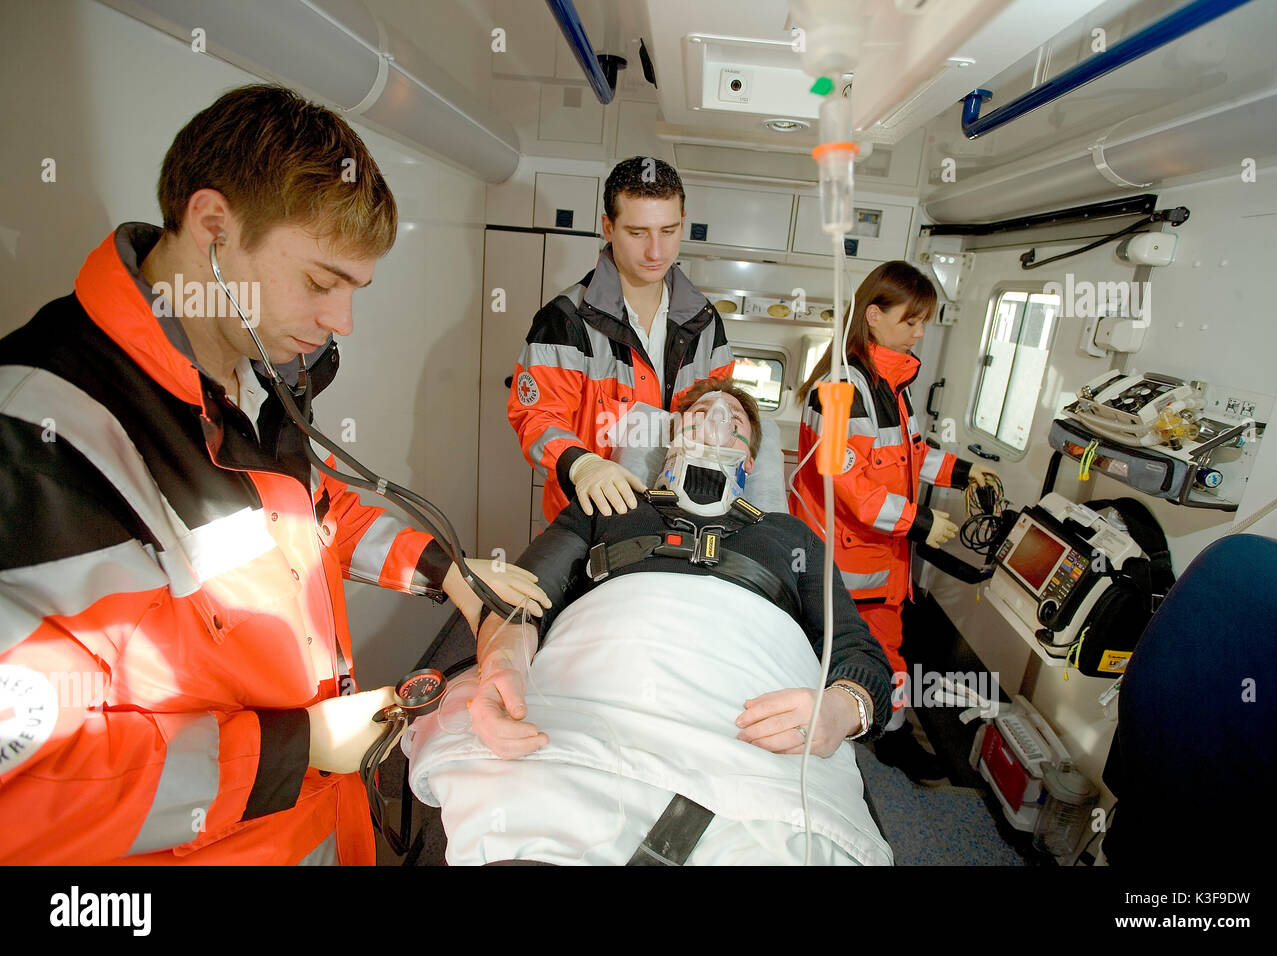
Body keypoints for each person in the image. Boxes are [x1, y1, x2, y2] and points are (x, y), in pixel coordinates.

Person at [0, 84, 547, 865]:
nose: (341, 322)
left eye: (354, 291)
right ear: (214, 228)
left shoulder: (249, 374)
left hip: (322, 831)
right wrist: (302, 749)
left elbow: (308, 516)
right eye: (323, 284)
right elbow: (27, 791)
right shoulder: (43, 443)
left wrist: (448, 574)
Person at [411, 379, 894, 864]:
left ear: (750, 460)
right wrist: (502, 663)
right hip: (598, 691)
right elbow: (522, 598)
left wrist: (840, 707)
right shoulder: (607, 507)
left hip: (747, 716)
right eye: (699, 413)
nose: (715, 421)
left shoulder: (792, 536)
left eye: (735, 421)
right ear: (671, 440)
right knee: (526, 810)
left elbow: (857, 651)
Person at [789, 261, 997, 784]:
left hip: (881, 560)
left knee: (892, 653)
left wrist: (964, 472)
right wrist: (922, 521)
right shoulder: (838, 392)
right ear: (875, 316)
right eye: (913, 320)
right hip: (841, 560)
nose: (921, 332)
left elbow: (909, 454)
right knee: (827, 653)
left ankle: (892, 732)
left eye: (925, 321)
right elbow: (848, 482)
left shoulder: (893, 385)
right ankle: (821, 736)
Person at [506, 156, 734, 524]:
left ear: (683, 224)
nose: (656, 251)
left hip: (677, 520)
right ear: (608, 227)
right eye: (637, 232)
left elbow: (720, 413)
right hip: (589, 524)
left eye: (668, 230)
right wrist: (581, 465)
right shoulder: (564, 321)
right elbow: (536, 416)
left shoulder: (707, 324)